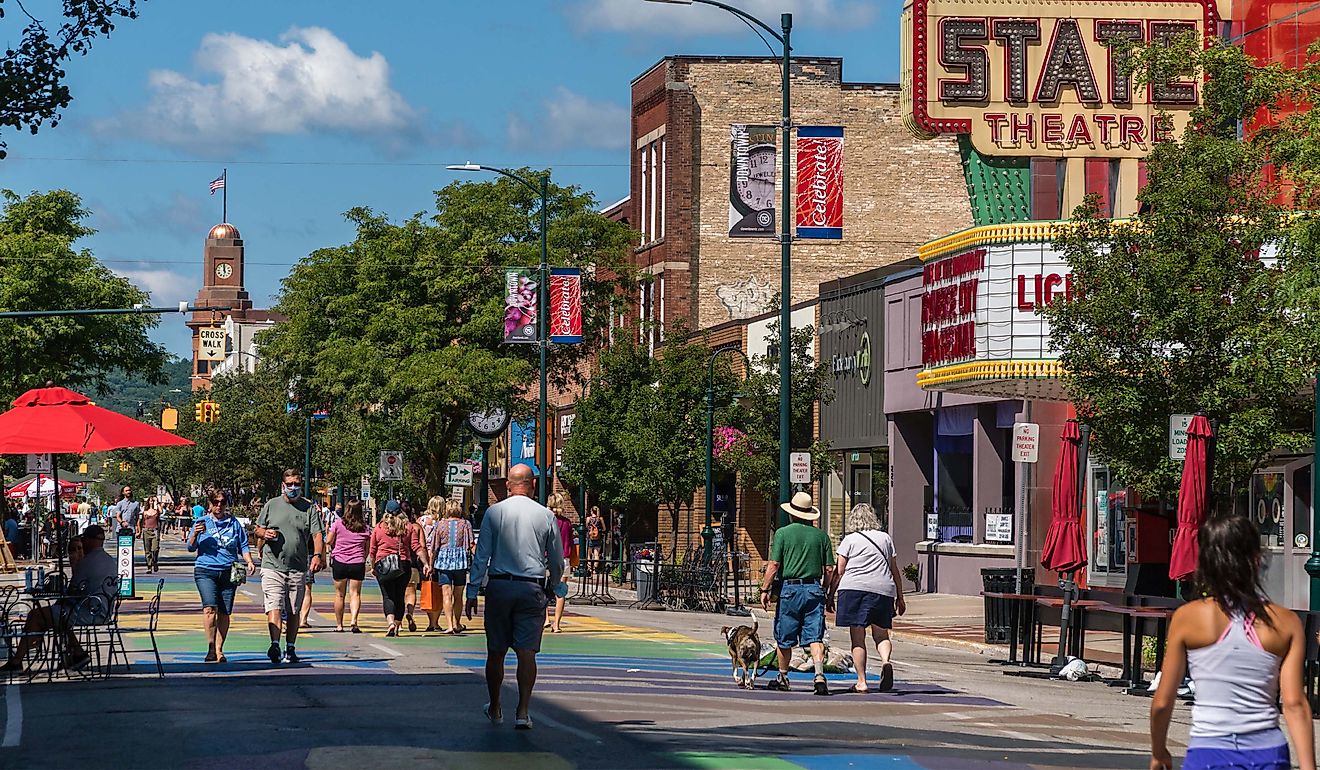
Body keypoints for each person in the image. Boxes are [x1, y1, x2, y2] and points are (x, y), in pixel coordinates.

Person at [1150, 514, 1315, 770]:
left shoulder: (1187, 618)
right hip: (1266, 752)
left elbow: (1162, 701)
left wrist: (1159, 752)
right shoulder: (1286, 622)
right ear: (1257, 560)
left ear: (1205, 563)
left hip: (1208, 751)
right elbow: (1294, 703)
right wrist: (1308, 766)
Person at [465, 463, 566, 730]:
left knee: (495, 651)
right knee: (526, 652)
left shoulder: (494, 513)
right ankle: (522, 711)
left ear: (508, 485)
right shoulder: (545, 515)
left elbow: (482, 554)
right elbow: (556, 559)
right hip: (530, 588)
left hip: (499, 586)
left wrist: (472, 590)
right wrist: (556, 586)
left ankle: (496, 705)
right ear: (533, 485)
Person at [1, 526, 117, 672]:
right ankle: (76, 652)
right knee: (53, 615)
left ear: (88, 540)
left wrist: (75, 567)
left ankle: (17, 660)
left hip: (89, 612)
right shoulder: (109, 560)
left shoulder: (88, 562)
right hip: (101, 610)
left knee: (37, 615)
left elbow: (73, 590)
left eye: (82, 542)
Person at [761, 491, 835, 696]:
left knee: (785, 636)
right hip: (813, 589)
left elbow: (774, 564)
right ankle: (819, 676)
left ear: (792, 513)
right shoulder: (821, 536)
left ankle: (783, 677)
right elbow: (829, 569)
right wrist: (826, 591)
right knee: (815, 635)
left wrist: (765, 589)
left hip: (790, 589)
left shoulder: (783, 534)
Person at [828, 503, 905, 693]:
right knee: (881, 634)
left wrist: (830, 595)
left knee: (858, 637)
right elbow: (894, 569)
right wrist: (900, 597)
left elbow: (840, 570)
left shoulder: (849, 540)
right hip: (883, 589)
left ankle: (861, 681)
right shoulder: (885, 538)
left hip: (854, 589)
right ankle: (886, 661)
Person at [253, 470, 325, 665]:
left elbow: (317, 534)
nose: (294, 487)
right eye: (290, 484)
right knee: (274, 604)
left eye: (297, 484)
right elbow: (257, 529)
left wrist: (318, 555)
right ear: (283, 485)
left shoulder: (308, 508)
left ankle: (290, 647)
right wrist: (264, 533)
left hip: (298, 566)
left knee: (294, 609)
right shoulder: (271, 505)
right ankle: (275, 644)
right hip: (272, 564)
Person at [188, 492, 256, 663]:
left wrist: (249, 561)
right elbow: (190, 547)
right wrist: (195, 534)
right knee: (210, 608)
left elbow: (244, 545)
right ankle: (210, 647)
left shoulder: (234, 523)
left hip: (228, 571)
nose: (219, 506)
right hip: (205, 570)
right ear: (210, 504)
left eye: (222, 502)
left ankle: (219, 649)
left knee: (225, 612)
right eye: (215, 502)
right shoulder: (201, 522)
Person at [368, 500, 426, 637]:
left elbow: (372, 550)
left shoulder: (379, 528)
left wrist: (373, 566)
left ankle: (391, 623)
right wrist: (426, 563)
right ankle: (398, 625)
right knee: (400, 596)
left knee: (387, 596)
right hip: (403, 564)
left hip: (384, 564)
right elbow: (416, 547)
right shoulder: (408, 527)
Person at [432, 499, 475, 635]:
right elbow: (470, 544)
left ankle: (449, 625)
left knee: (446, 594)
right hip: (460, 562)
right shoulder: (465, 524)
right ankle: (457, 623)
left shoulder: (440, 524)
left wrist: (430, 563)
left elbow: (435, 546)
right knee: (458, 594)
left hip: (444, 562)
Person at [327, 499, 371, 633]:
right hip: (357, 562)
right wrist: (362, 557)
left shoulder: (338, 524)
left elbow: (329, 540)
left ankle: (339, 625)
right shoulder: (365, 528)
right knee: (355, 594)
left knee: (340, 595)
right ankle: (354, 621)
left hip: (340, 562)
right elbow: (367, 548)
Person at [546, 493, 574, 633]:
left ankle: (545, 619)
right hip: (564, 559)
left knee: (543, 588)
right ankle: (556, 624)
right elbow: (571, 543)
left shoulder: (546, 520)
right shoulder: (567, 523)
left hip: (547, 558)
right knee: (561, 592)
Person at [138, 496, 162, 573]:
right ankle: (149, 566)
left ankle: (155, 561)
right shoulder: (144, 511)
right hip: (146, 530)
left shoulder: (157, 510)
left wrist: (157, 503)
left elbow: (161, 511)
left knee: (155, 549)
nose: (152, 502)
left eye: (153, 501)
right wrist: (139, 531)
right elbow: (140, 522)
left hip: (155, 531)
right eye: (150, 501)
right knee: (147, 550)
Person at [586, 506, 605, 571]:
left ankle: (589, 569)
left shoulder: (588, 518)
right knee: (596, 554)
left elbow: (586, 527)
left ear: (591, 511)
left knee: (589, 554)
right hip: (598, 538)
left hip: (590, 538)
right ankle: (595, 569)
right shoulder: (600, 519)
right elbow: (604, 528)